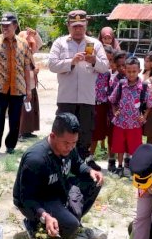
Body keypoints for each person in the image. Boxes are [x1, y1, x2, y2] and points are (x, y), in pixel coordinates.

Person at [13, 113, 106, 239]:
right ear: (53, 136)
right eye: (67, 143)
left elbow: (77, 164)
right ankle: (34, 223)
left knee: (93, 180)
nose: (71, 147)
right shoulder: (36, 159)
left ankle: (67, 218)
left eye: (74, 142)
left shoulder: (69, 146)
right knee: (70, 227)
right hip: (40, 200)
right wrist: (45, 216)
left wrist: (90, 171)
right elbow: (26, 199)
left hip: (58, 189)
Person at [49, 10, 110, 166]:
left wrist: (94, 60)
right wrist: (71, 61)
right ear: (68, 25)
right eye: (74, 26)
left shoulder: (95, 43)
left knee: (85, 132)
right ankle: (61, 162)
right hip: (66, 97)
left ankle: (80, 163)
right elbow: (52, 65)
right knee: (63, 130)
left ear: (86, 25)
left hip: (86, 98)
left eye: (81, 26)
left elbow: (105, 67)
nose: (78, 29)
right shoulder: (60, 43)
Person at [0, 13, 33, 157]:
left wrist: (28, 89)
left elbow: (27, 66)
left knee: (15, 119)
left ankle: (11, 145)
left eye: (7, 25)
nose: (4, 28)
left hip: (18, 88)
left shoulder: (23, 44)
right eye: (2, 25)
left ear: (15, 26)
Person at [108, 57, 152, 178]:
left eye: (134, 71)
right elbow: (112, 100)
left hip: (135, 123)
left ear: (139, 70)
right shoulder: (121, 84)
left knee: (134, 146)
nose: (131, 74)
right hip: (120, 122)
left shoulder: (143, 87)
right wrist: (115, 111)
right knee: (119, 146)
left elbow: (150, 104)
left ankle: (130, 167)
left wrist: (144, 117)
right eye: (129, 71)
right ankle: (119, 166)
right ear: (125, 70)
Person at [90, 45, 115, 172]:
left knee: (102, 133)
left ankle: (107, 160)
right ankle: (86, 158)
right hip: (89, 104)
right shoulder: (89, 69)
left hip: (104, 106)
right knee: (90, 133)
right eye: (105, 59)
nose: (107, 63)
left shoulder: (109, 74)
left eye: (110, 60)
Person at [18, 28, 43, 140]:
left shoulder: (30, 53)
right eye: (29, 42)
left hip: (31, 86)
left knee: (31, 110)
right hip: (22, 86)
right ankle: (19, 133)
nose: (31, 45)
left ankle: (27, 131)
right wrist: (34, 72)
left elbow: (40, 44)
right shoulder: (18, 53)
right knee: (22, 111)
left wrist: (35, 33)